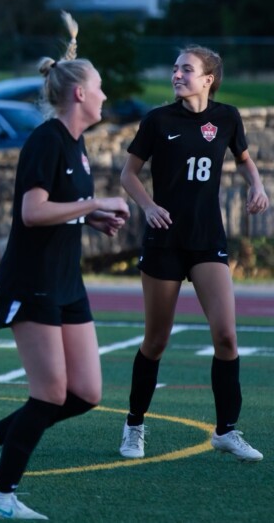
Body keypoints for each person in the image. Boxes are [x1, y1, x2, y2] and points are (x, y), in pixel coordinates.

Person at [0, 14, 130, 520]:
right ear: (78, 93)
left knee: (85, 393)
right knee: (50, 393)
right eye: (99, 87)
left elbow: (60, 206)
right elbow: (33, 213)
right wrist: (90, 204)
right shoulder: (46, 140)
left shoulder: (75, 144)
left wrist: (92, 215)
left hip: (65, 283)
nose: (105, 94)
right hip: (30, 282)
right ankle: (0, 495)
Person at [117, 45, 268, 462]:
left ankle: (226, 431)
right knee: (156, 341)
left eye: (187, 69)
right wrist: (148, 207)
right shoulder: (157, 120)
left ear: (208, 80)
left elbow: (244, 159)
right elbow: (128, 174)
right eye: (175, 68)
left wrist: (257, 185)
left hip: (207, 240)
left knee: (226, 335)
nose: (177, 74)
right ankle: (134, 424)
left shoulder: (227, 117)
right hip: (164, 241)